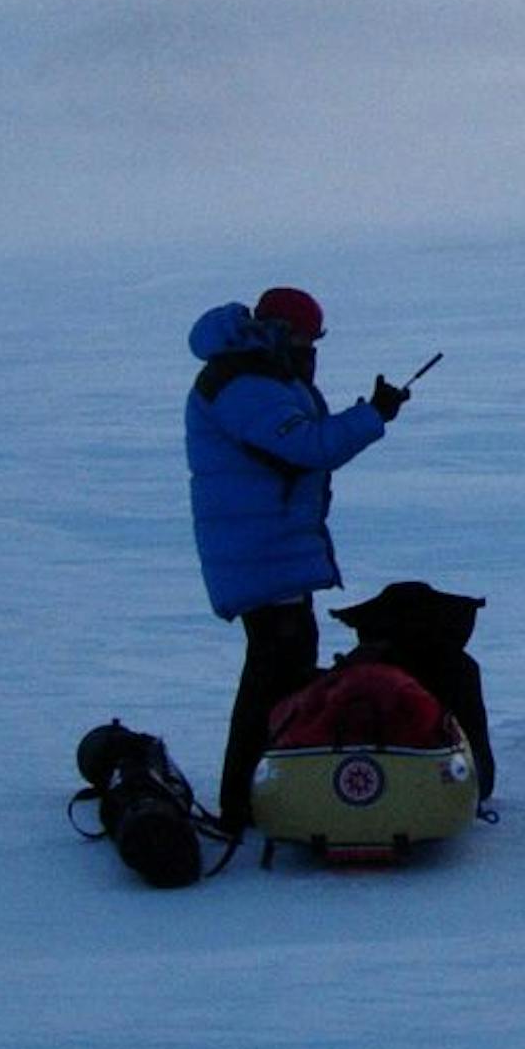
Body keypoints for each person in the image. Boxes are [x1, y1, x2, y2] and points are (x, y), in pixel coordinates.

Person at [185, 286, 411, 830]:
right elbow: (308, 447)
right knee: (272, 674)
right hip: (261, 554)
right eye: (308, 339)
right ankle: (245, 802)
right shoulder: (242, 381)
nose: (312, 350)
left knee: (282, 671)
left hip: (269, 548)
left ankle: (273, 789)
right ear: (281, 333)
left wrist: (368, 415)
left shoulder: (255, 373)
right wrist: (372, 417)